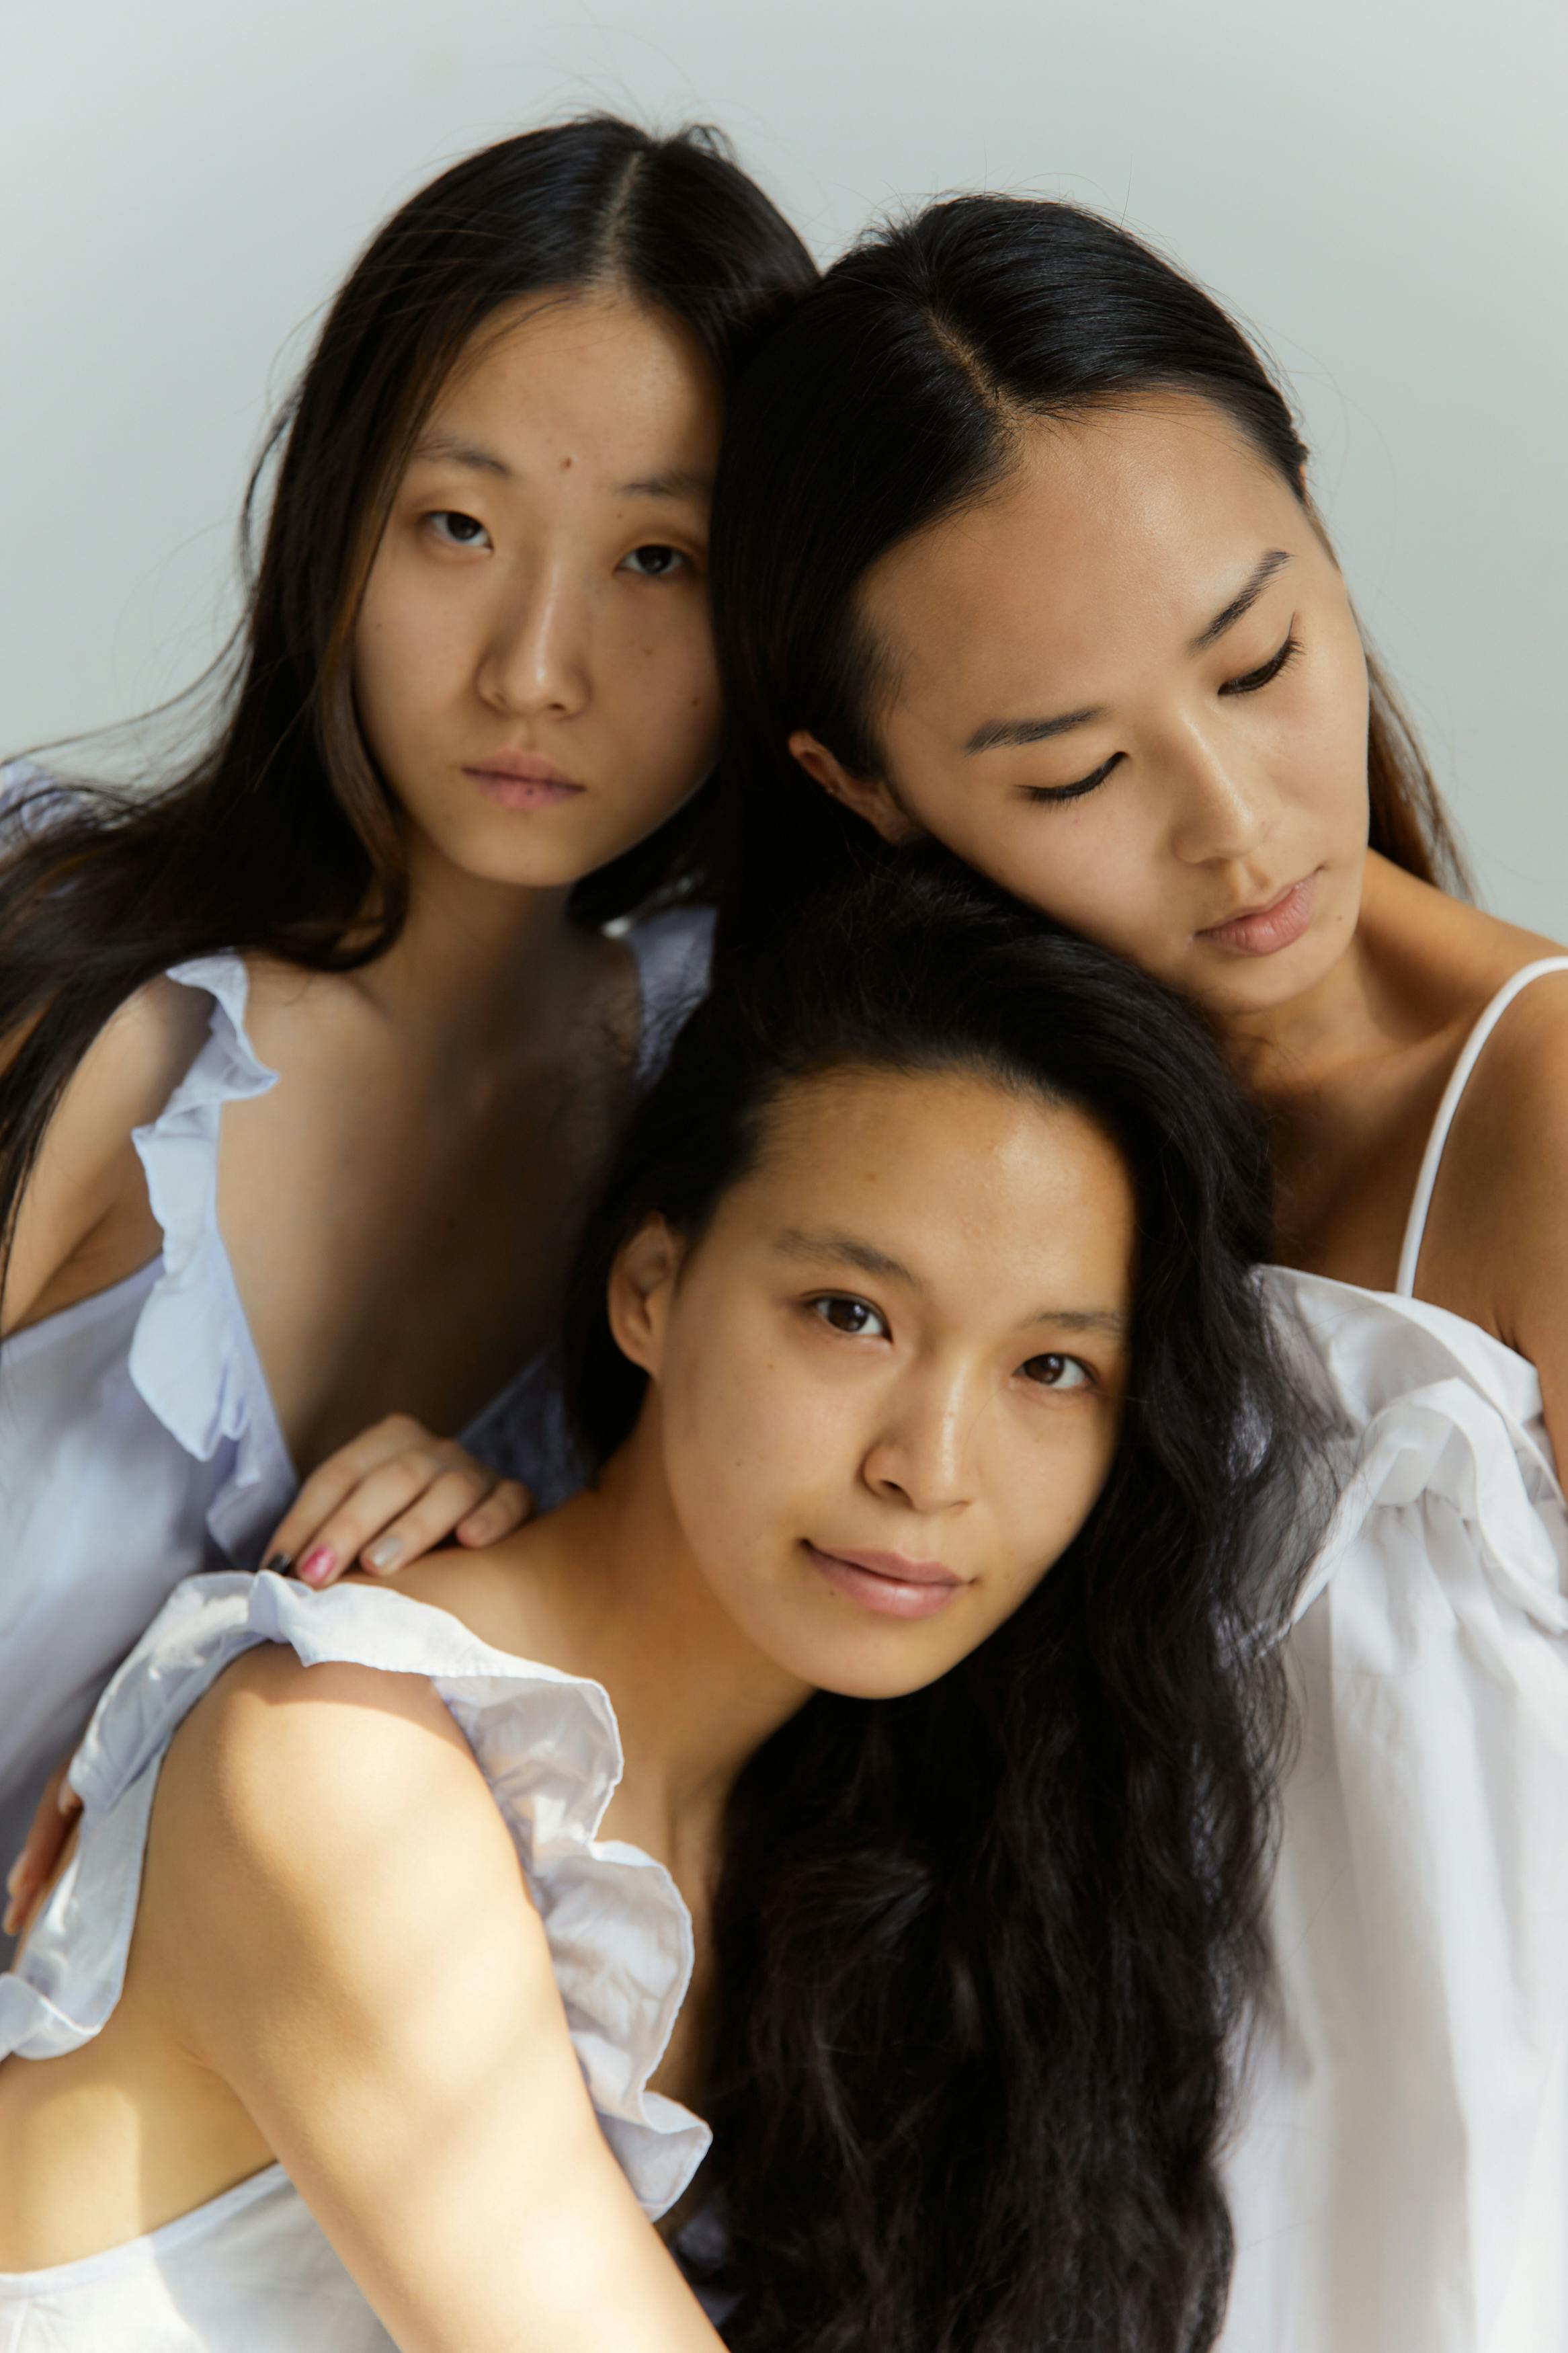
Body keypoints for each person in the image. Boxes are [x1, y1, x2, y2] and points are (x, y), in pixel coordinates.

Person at [0, 858, 1322, 2352]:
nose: (930, 1469)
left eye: (1052, 1369)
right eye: (851, 1315)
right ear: (650, 1287)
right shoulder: (342, 1760)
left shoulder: (869, 1853)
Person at [708, 194, 1568, 2350]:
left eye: (1262, 659)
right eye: (1071, 769)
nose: (1237, 821)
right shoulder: (867, 1142)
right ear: (864, 787)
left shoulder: (1539, 1121)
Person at [0, 115, 816, 1936]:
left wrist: (500, 1573)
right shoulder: (88, 993)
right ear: (333, 533)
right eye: (456, 527)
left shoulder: (729, 1104)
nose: (535, 663)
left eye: (654, 561)